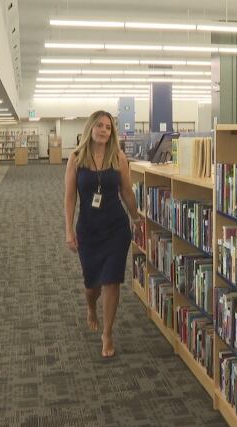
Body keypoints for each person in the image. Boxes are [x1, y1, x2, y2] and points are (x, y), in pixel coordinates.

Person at [64, 110, 141, 358]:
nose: (104, 130)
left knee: (112, 280)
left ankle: (107, 333)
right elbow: (69, 197)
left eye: (108, 127)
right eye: (99, 126)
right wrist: (68, 230)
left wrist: (136, 217)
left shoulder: (118, 157)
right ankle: (91, 307)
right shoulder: (75, 158)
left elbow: (127, 191)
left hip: (116, 228)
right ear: (90, 128)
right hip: (88, 230)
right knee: (92, 285)